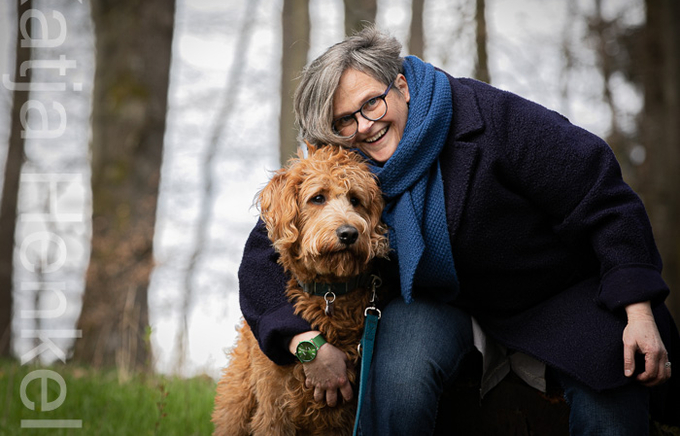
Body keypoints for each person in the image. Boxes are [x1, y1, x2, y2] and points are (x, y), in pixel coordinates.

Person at [238, 25, 679, 435]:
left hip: (553, 293)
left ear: (401, 86)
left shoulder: (490, 117)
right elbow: (265, 253)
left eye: (372, 103)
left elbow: (601, 194)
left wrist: (638, 310)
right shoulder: (345, 159)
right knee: (399, 385)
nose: (365, 126)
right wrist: (304, 341)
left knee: (611, 399)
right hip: (437, 301)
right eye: (345, 120)